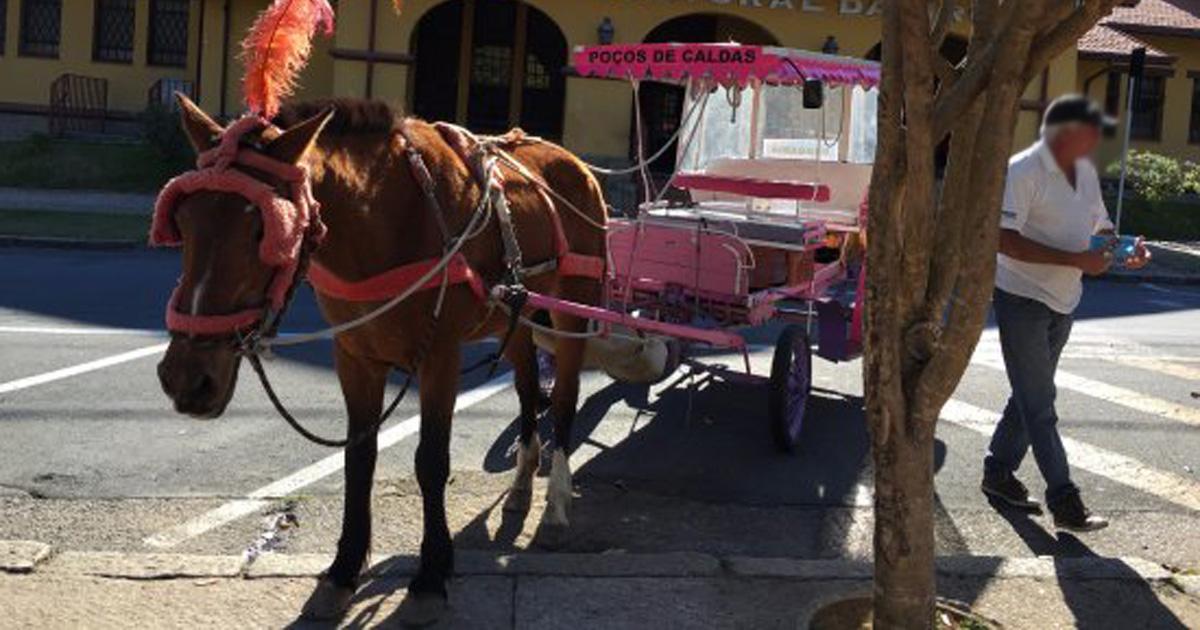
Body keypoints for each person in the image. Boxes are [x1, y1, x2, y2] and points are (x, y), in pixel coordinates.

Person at [981, 95, 1151, 533]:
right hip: (1021, 297)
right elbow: (1005, 240)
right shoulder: (1023, 171)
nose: (1097, 144)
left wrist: (1123, 247)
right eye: (1090, 135)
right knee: (1040, 405)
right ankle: (1065, 501)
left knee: (1030, 393)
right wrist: (1078, 261)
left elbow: (1100, 226)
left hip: (1063, 301)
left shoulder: (1085, 170)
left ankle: (998, 471)